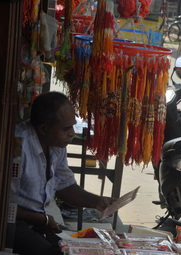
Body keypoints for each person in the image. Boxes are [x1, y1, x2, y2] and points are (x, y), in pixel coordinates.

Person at [12, 91, 116, 255]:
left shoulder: (55, 145)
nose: (72, 133)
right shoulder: (17, 145)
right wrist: (42, 219)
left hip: (38, 222)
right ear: (44, 129)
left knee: (74, 249)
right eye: (66, 128)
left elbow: (65, 186)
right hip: (11, 223)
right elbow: (3, 207)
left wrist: (97, 201)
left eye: (73, 126)